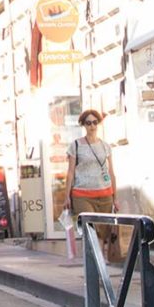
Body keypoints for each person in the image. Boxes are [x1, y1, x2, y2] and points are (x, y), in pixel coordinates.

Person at [64, 109, 117, 259]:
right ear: (83, 125)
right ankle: (95, 262)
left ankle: (99, 264)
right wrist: (67, 196)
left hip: (105, 195)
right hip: (82, 195)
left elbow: (111, 172)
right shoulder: (75, 145)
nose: (92, 126)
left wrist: (116, 197)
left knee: (102, 233)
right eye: (88, 123)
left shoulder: (105, 146)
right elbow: (70, 172)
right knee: (90, 229)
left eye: (95, 122)